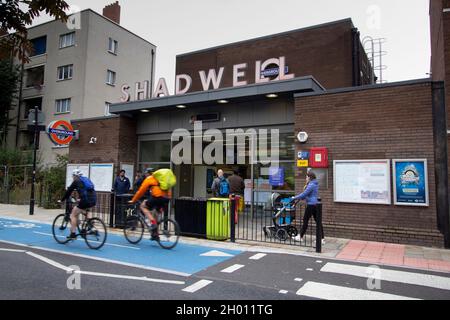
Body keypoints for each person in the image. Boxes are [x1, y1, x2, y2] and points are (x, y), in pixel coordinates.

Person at [129, 170, 171, 241]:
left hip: (157, 197)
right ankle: (155, 235)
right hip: (165, 199)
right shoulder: (160, 178)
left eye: (146, 174)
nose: (145, 175)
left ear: (148, 174)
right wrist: (168, 197)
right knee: (155, 214)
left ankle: (153, 223)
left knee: (143, 206)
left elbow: (141, 191)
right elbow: (168, 188)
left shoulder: (149, 179)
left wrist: (133, 200)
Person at [59, 169, 97, 240]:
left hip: (85, 200)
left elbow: (69, 191)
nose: (72, 177)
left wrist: (62, 200)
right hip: (93, 199)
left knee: (73, 214)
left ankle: (73, 234)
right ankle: (90, 225)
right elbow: (85, 190)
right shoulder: (86, 179)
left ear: (75, 176)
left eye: (73, 176)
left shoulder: (76, 181)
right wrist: (80, 198)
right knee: (84, 210)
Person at [291, 171, 325, 244]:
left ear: (309, 177)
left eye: (306, 177)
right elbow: (307, 195)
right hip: (315, 204)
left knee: (305, 220)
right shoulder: (313, 184)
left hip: (311, 205)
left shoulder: (311, 184)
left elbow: (304, 194)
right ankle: (322, 239)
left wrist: (294, 198)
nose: (305, 178)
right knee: (318, 221)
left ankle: (300, 237)